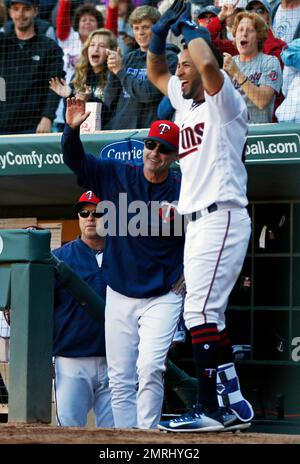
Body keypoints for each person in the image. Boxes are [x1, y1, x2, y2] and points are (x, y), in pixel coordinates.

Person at [147, 0, 253, 432]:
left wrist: (191, 28)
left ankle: (212, 410)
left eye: (185, 65)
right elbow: (156, 72)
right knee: (207, 314)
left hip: (222, 213)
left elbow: (208, 62)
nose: (180, 71)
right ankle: (231, 399)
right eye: (180, 65)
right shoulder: (186, 104)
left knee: (200, 313)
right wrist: (158, 36)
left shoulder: (222, 100)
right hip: (199, 221)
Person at [62, 98, 185, 429]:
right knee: (120, 378)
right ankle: (125, 439)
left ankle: (147, 437)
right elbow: (75, 161)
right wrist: (72, 130)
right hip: (119, 291)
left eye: (163, 148)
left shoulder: (184, 189)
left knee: (150, 368)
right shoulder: (116, 175)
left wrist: (190, 269)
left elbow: (207, 230)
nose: (154, 152)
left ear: (173, 156)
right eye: (151, 144)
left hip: (163, 293)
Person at [52, 190, 114, 427]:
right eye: (84, 212)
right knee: (69, 430)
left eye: (98, 212)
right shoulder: (58, 258)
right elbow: (42, 311)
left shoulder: (124, 257)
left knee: (118, 434)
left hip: (116, 360)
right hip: (71, 359)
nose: (90, 217)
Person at [104, 5, 179, 129]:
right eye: (136, 28)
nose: (140, 33)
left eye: (145, 27)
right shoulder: (128, 58)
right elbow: (110, 99)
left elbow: (148, 94)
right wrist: (113, 70)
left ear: (157, 28)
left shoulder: (169, 58)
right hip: (119, 132)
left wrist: (120, 71)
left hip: (149, 131)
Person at [0, 0, 64, 134]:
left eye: (26, 9)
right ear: (10, 12)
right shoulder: (3, 44)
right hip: (3, 124)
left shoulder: (50, 47)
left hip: (34, 126)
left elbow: (56, 85)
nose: (20, 14)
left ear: (36, 11)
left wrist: (47, 117)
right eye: (16, 9)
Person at [50, 28, 117, 129]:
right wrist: (68, 96)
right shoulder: (79, 75)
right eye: (92, 45)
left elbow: (111, 115)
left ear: (111, 51)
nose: (96, 49)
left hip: (105, 135)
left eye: (102, 46)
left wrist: (89, 99)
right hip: (80, 135)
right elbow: (68, 120)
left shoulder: (114, 77)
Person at [223, 11, 282, 123]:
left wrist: (236, 73)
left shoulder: (270, 62)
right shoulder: (228, 63)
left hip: (258, 134)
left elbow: (262, 101)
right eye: (240, 30)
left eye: (250, 30)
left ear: (259, 37)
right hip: (232, 134)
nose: (244, 34)